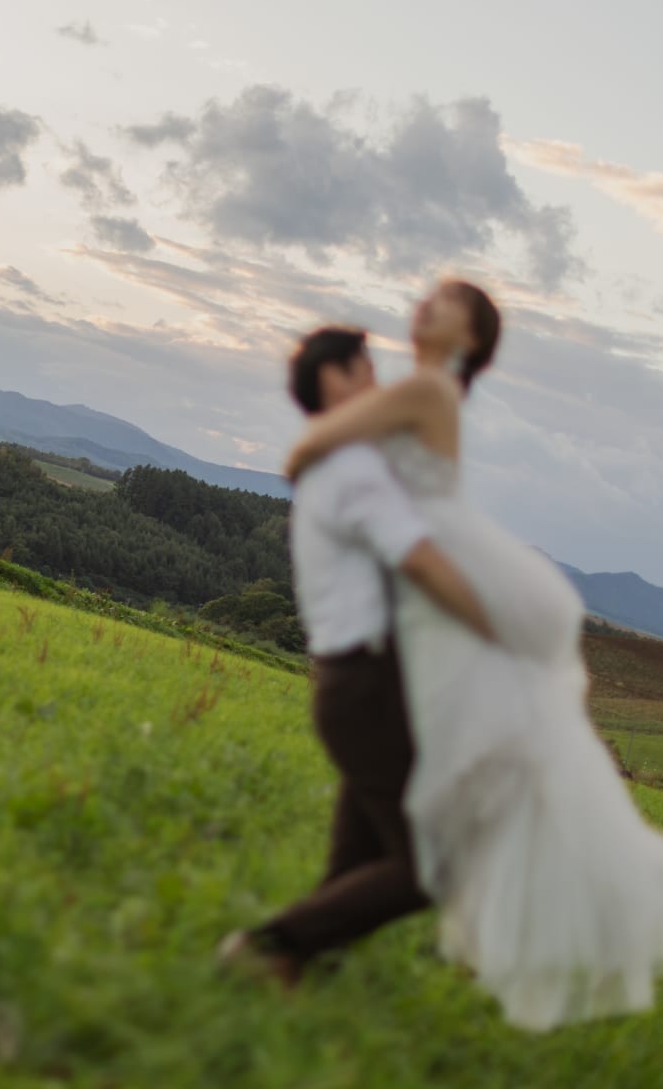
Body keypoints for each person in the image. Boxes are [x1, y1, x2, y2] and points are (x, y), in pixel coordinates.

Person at [284, 279, 663, 1030]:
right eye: (431, 295)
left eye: (449, 304)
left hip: (436, 569)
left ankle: (285, 944)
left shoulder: (426, 389)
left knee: (404, 797)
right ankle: (304, 946)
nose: (427, 304)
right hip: (415, 585)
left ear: (468, 340)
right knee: (381, 789)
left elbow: (309, 445)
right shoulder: (424, 391)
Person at [219, 325, 494, 988]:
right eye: (367, 367)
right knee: (431, 866)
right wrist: (495, 625)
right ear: (334, 377)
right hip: (369, 688)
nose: (378, 381)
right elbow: (419, 560)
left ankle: (299, 970)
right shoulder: (352, 469)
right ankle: (264, 946)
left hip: (354, 685)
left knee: (356, 859)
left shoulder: (329, 464)